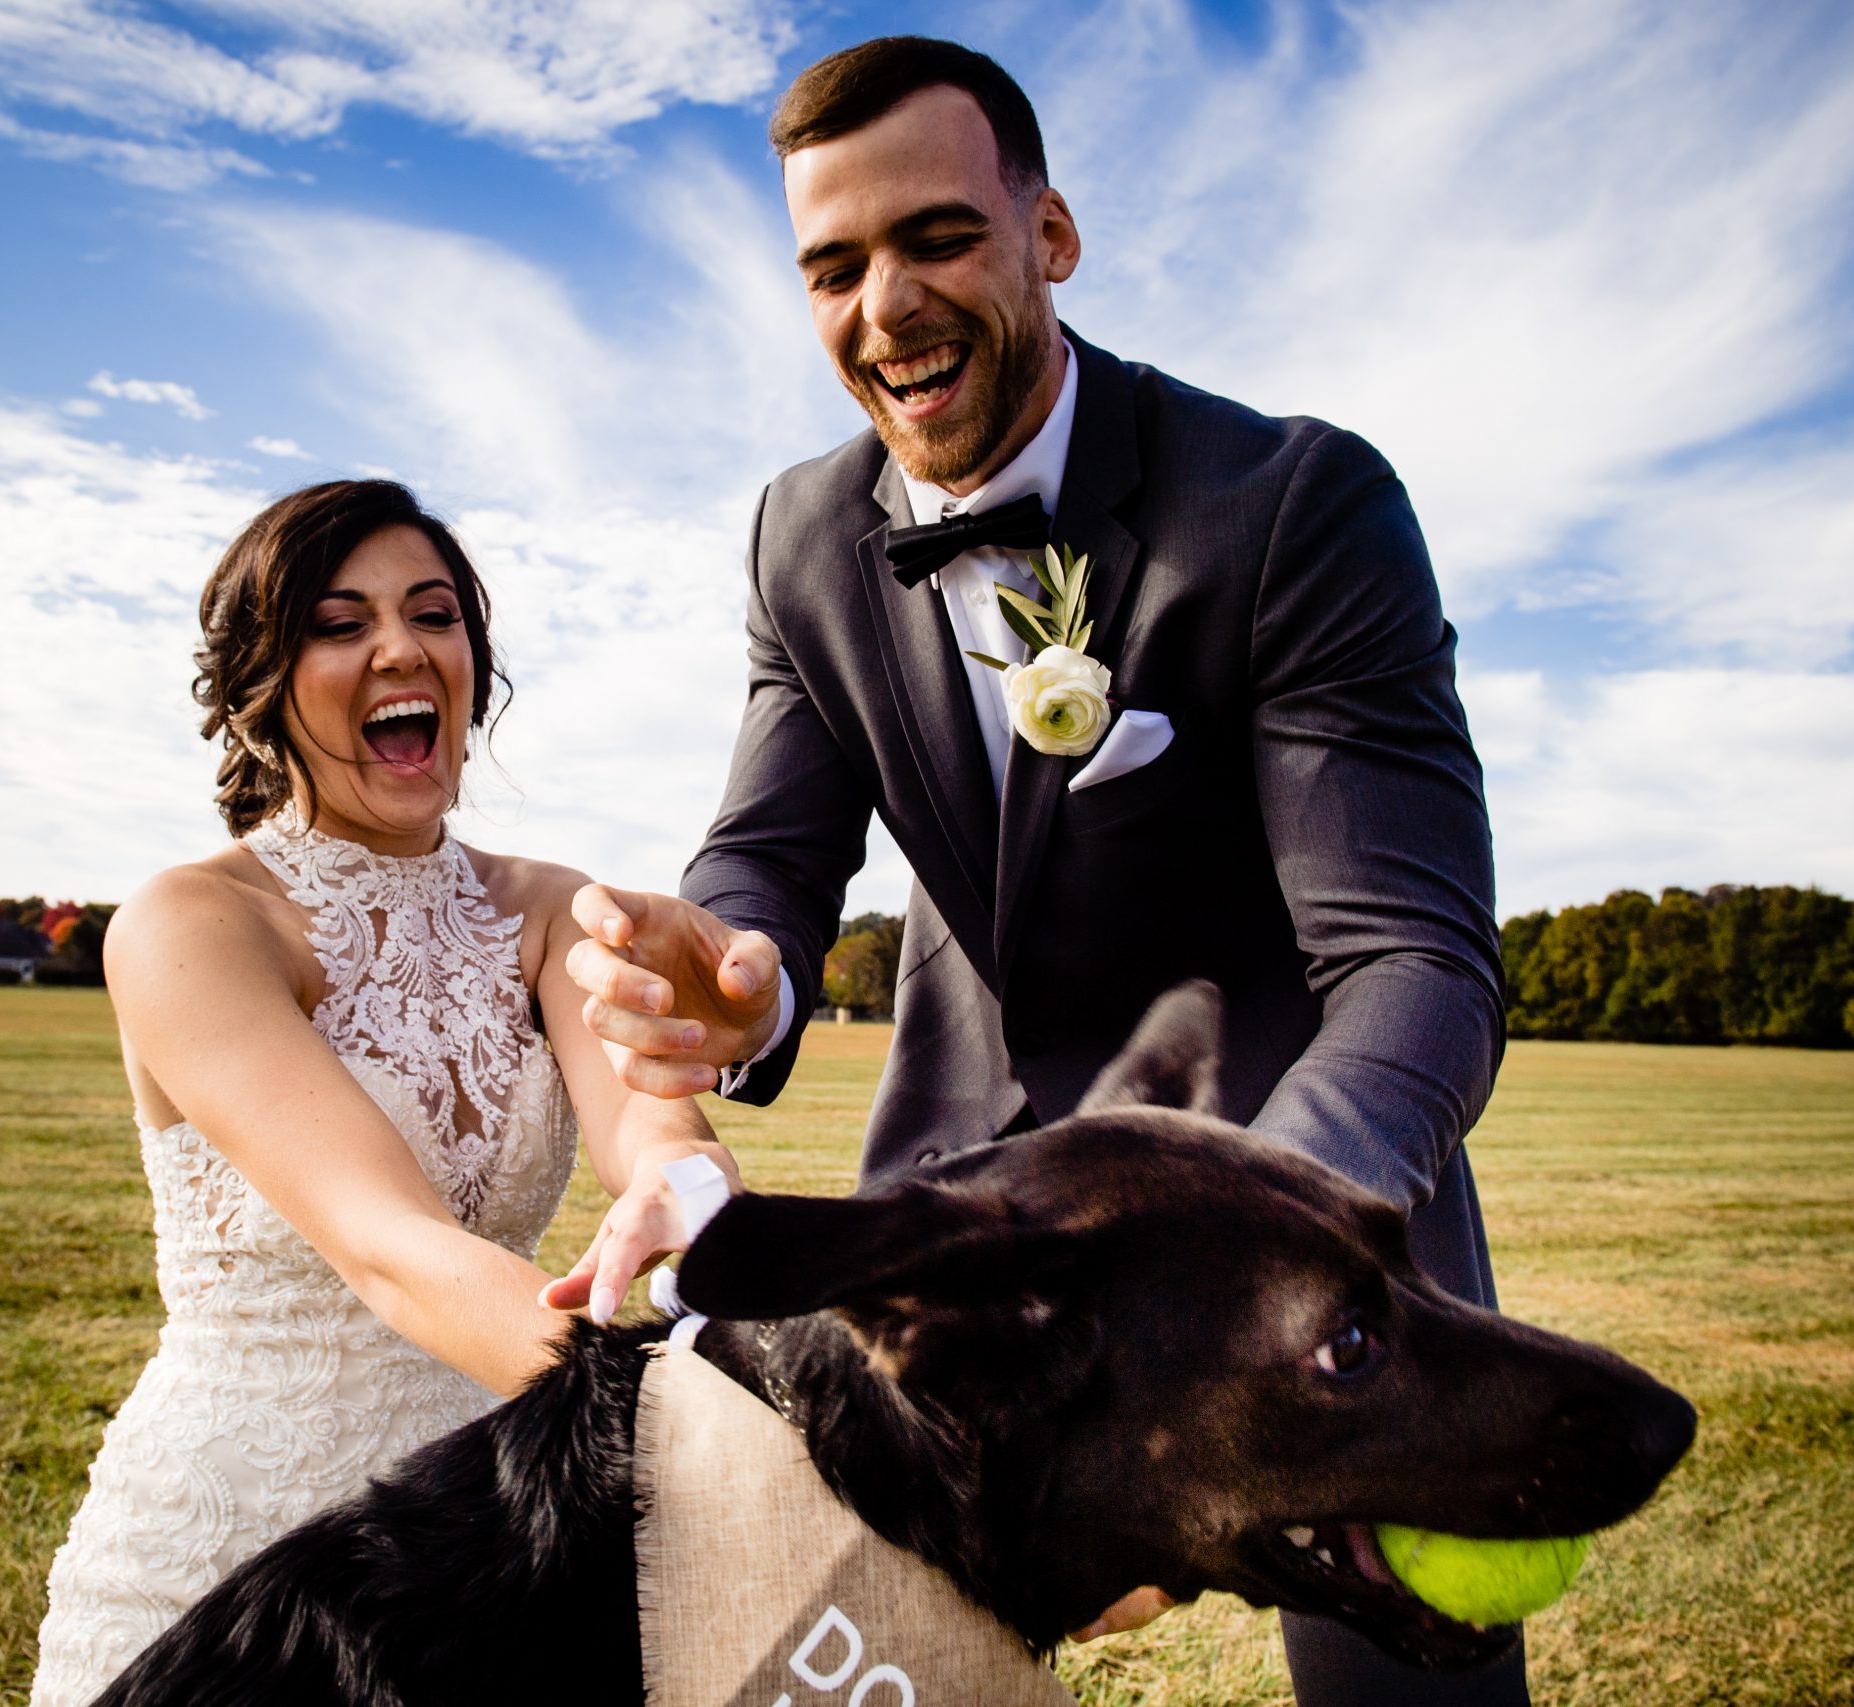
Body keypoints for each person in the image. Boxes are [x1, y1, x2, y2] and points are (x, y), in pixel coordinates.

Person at [565, 36, 1520, 1707]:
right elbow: (774, 842)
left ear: (1051, 234)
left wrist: (1254, 1265)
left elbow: (1412, 962)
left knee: (1412, 1670)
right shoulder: (802, 531)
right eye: (834, 267)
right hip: (970, 1185)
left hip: (1304, 1181)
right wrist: (741, 965)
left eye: (936, 238)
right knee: (843, 1651)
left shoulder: (1295, 504)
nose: (887, 308)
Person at [29, 479, 733, 1706]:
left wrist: (691, 1192)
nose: (401, 647)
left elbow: (651, 1121)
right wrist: (688, 1417)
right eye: (339, 623)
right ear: (263, 682)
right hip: (226, 1550)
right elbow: (389, 1245)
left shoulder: (554, 909)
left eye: (433, 613)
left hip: (486, 1532)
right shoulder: (191, 923)